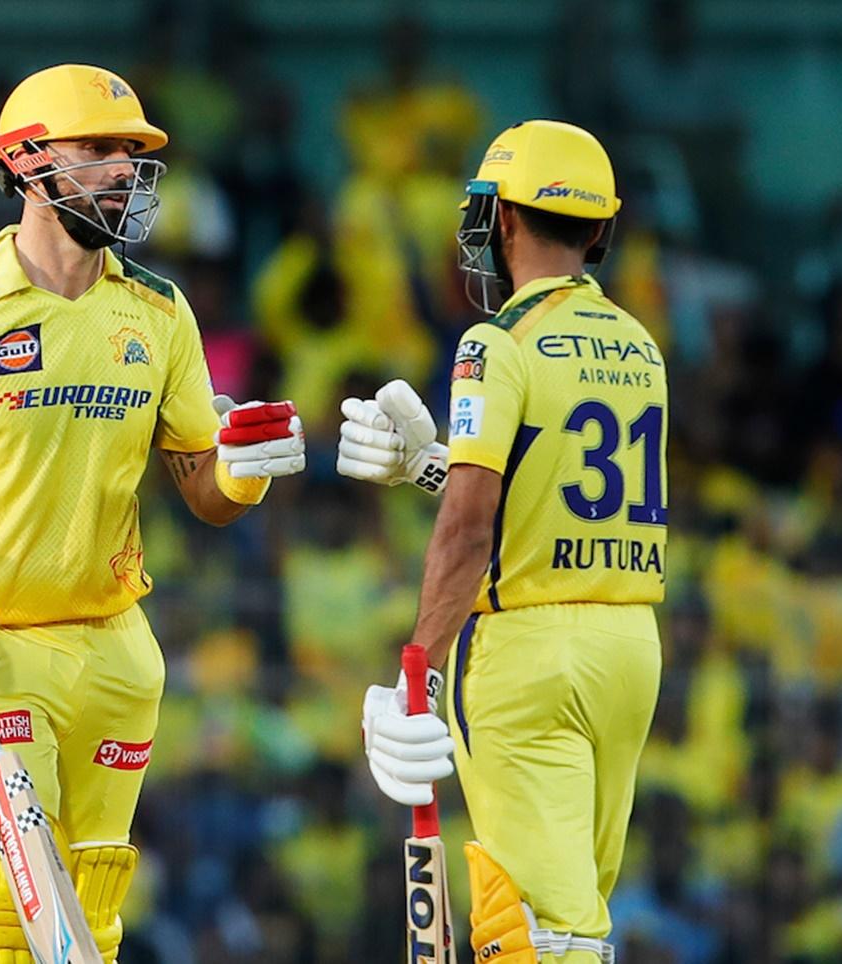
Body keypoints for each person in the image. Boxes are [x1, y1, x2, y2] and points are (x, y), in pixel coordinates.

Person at [0, 63, 305, 964]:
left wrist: (244, 472)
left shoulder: (159, 312)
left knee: (92, 920)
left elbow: (204, 486)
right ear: (28, 162)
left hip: (116, 652)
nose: (124, 169)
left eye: (133, 153)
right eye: (101, 150)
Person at [340, 119, 667, 963]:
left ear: (503, 222)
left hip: (527, 655)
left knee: (538, 935)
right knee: (580, 917)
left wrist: (419, 666)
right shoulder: (638, 345)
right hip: (630, 649)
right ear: (599, 229)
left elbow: (471, 524)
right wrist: (426, 466)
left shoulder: (496, 343)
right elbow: (546, 491)